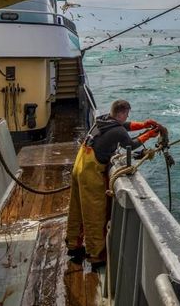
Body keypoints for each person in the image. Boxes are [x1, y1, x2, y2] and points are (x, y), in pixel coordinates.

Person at [66, 99, 162, 269]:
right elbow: (130, 144)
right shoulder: (117, 130)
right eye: (126, 113)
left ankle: (73, 245)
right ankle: (95, 256)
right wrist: (149, 134)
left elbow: (125, 126)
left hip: (79, 164)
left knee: (77, 209)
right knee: (95, 213)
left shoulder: (104, 120)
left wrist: (144, 125)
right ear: (120, 113)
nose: (127, 117)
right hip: (90, 171)